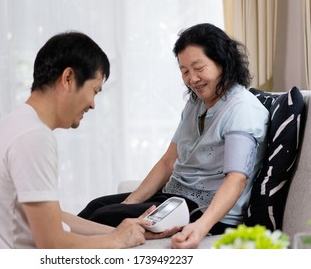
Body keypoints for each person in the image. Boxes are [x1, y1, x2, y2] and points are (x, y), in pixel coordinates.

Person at [78, 23, 270, 249]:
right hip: (174, 198)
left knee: (101, 218)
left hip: (203, 210)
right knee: (95, 208)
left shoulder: (242, 110)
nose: (192, 79)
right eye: (185, 71)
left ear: (222, 62)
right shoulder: (195, 104)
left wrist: (200, 228)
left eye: (199, 68)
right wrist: (128, 205)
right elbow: (169, 161)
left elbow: (237, 179)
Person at [0, 31, 161, 249]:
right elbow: (51, 242)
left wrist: (121, 231)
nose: (93, 104)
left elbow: (53, 217)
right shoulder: (33, 137)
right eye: (94, 90)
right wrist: (116, 240)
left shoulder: (16, 123)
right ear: (68, 78)